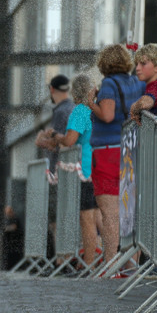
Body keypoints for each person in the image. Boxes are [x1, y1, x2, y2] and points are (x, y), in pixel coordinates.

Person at [89, 43, 145, 266]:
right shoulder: (136, 83)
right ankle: (131, 265)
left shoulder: (109, 84)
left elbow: (107, 115)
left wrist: (90, 102)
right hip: (130, 150)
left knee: (110, 213)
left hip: (107, 152)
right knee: (129, 212)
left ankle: (111, 265)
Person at [54, 73, 102, 265]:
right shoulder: (96, 111)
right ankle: (106, 261)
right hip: (98, 167)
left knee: (86, 219)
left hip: (85, 171)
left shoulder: (80, 111)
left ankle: (89, 264)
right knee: (99, 218)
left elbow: (70, 140)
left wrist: (57, 137)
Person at [35, 74, 74, 262]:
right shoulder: (72, 108)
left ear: (52, 89)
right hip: (71, 169)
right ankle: (68, 258)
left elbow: (56, 142)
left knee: (57, 217)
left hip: (58, 171)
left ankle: (62, 260)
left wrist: (41, 139)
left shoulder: (61, 111)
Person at [129, 43, 157, 127]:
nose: (137, 68)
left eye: (143, 63)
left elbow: (145, 103)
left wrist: (134, 108)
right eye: (137, 64)